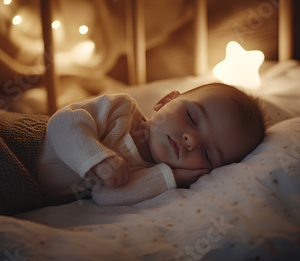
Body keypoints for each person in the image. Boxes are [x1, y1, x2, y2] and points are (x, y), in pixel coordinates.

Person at [37, 83, 266, 206]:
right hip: (19, 143)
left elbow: (105, 196)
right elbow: (63, 122)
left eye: (207, 154)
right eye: (192, 118)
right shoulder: (121, 111)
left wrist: (169, 178)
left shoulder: (150, 173)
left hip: (26, 192)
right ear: (166, 100)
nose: (192, 141)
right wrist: (99, 159)